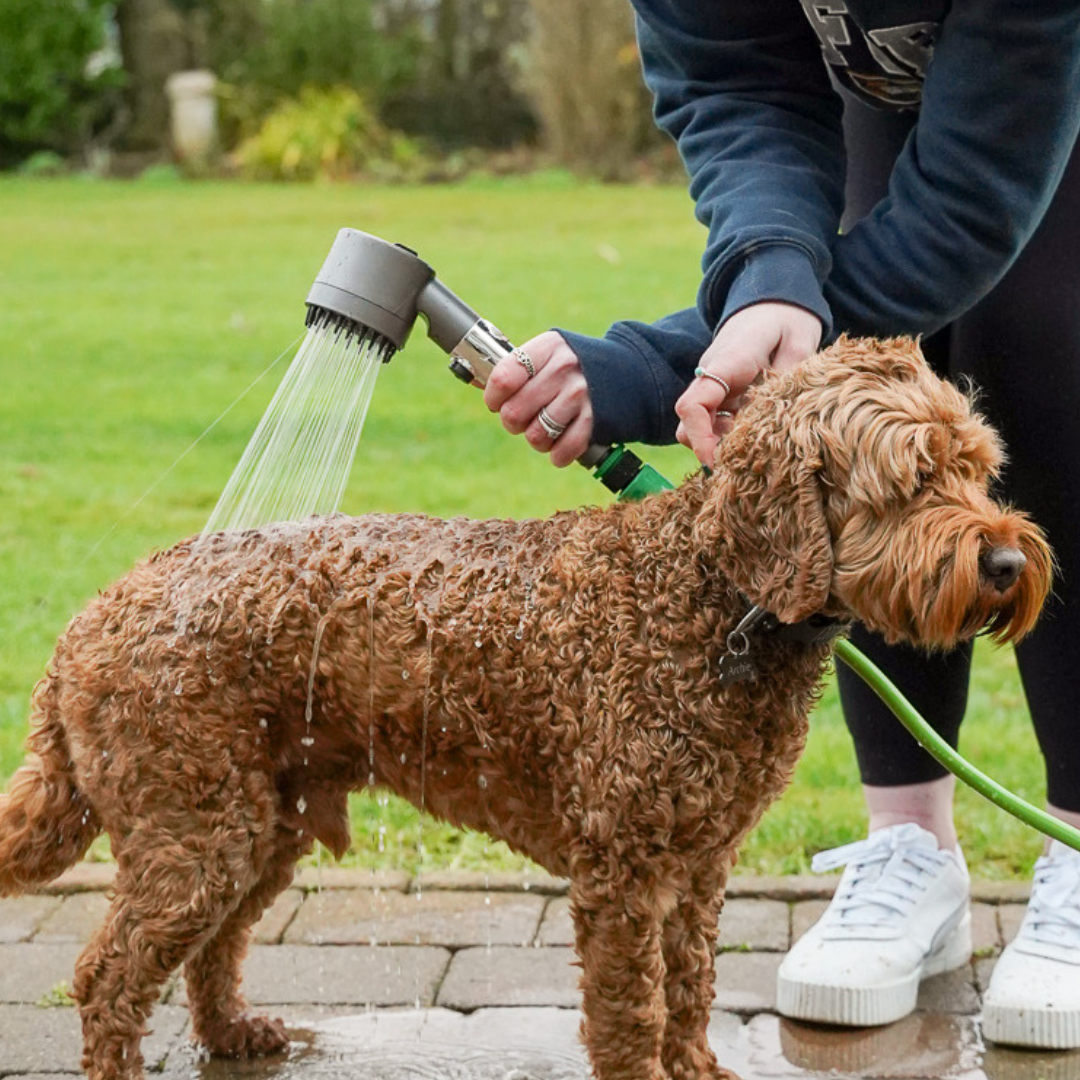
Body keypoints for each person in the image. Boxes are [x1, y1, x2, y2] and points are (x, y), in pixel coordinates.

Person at [482, 0, 1080, 1050]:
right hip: (879, 94)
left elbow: (975, 199)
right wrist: (769, 274)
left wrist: (654, 365)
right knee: (875, 442)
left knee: (1049, 358)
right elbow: (737, 84)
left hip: (1044, 94)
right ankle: (909, 853)